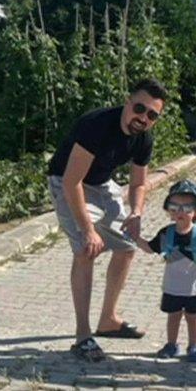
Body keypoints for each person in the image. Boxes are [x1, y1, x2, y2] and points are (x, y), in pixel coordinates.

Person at [47, 78, 167, 362]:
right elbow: (72, 181)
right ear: (127, 102)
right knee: (87, 250)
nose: (144, 118)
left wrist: (136, 212)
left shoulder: (144, 137)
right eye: (140, 108)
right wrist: (89, 230)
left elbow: (138, 184)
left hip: (101, 184)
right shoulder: (97, 124)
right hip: (67, 182)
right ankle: (82, 335)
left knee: (126, 247)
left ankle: (108, 320)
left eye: (152, 115)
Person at [134, 179, 196, 362]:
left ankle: (194, 346)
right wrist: (135, 237)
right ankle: (171, 344)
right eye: (174, 206)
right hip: (172, 286)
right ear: (168, 210)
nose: (180, 211)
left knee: (193, 317)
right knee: (173, 316)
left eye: (187, 208)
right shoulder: (166, 233)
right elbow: (149, 248)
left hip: (195, 287)